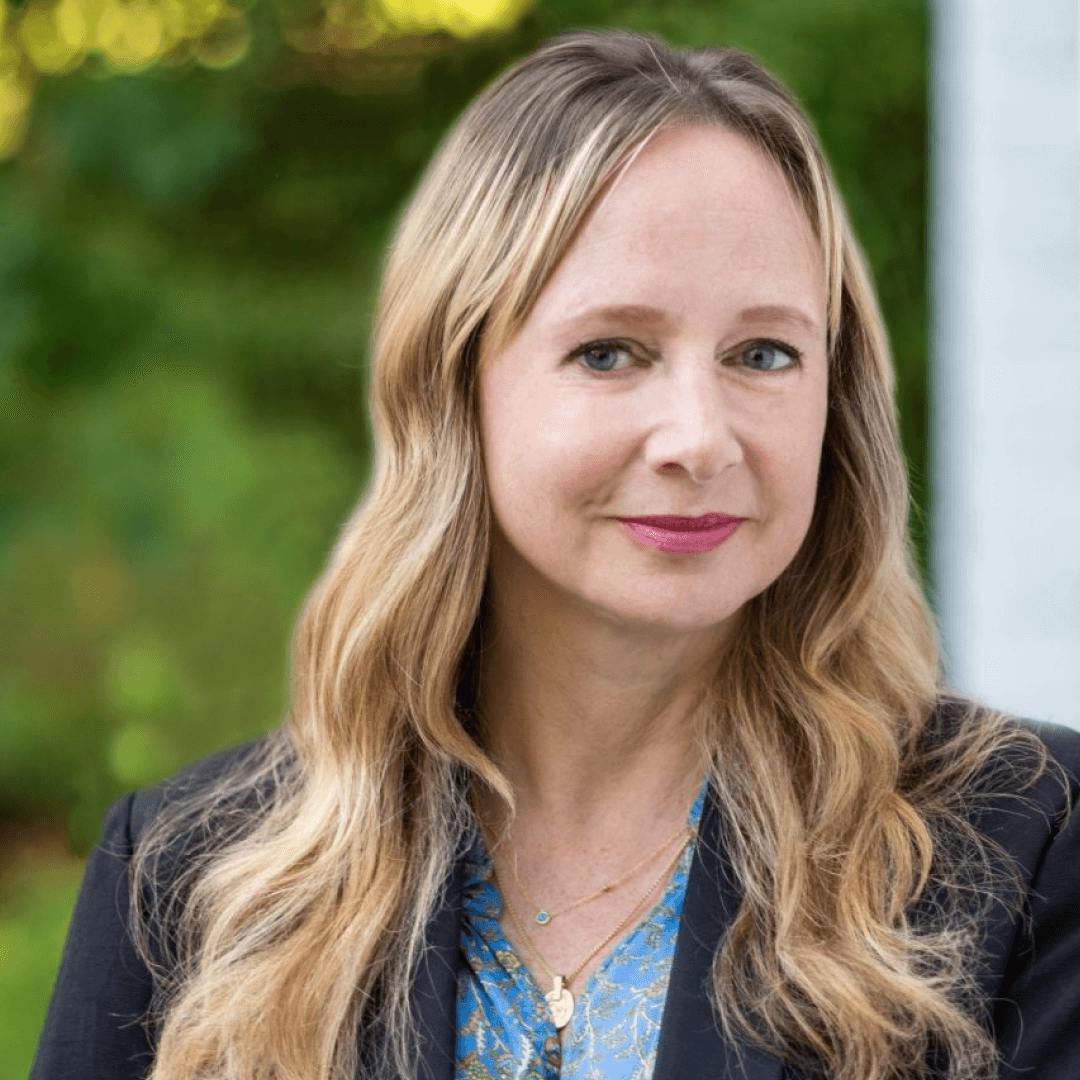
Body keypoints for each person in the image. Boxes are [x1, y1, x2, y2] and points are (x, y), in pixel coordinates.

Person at [29, 26, 1080, 1080]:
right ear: (458, 388)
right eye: (611, 351)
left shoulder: (1025, 851)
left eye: (763, 353)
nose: (700, 437)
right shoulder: (183, 884)